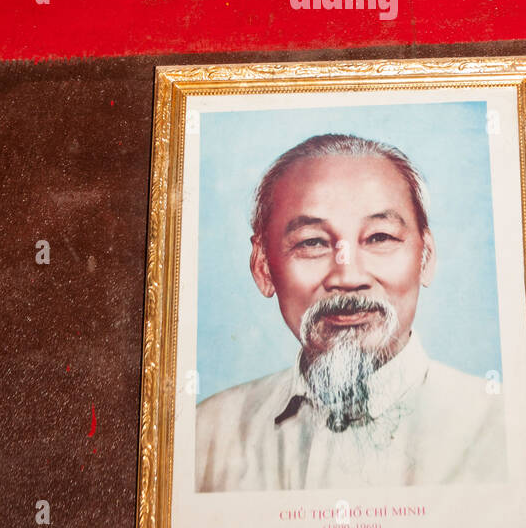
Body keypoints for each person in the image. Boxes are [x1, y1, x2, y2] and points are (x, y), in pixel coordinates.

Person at [195, 133, 505, 490]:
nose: (348, 276)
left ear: (426, 257)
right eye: (312, 242)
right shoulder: (205, 437)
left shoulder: (502, 428)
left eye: (379, 238)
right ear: (263, 266)